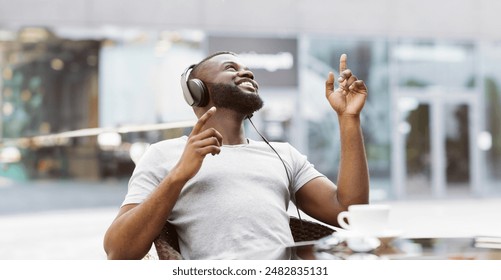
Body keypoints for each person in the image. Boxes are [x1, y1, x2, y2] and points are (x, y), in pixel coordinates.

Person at [103, 51, 369, 260]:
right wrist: (178, 175)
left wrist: (349, 119)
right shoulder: (165, 154)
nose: (247, 72)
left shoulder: (284, 155)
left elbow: (350, 211)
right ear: (198, 90)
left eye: (247, 69)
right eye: (231, 68)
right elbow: (119, 252)